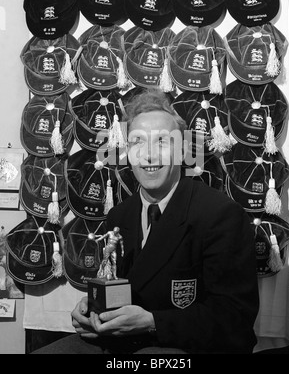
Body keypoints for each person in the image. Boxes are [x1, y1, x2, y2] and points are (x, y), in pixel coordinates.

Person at [33, 89, 259, 354]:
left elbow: (235, 320)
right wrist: (93, 310)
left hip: (182, 347)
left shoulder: (219, 215)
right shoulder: (119, 215)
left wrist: (152, 322)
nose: (149, 156)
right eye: (138, 142)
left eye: (162, 141)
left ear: (184, 149)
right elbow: (119, 289)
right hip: (120, 343)